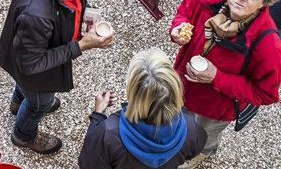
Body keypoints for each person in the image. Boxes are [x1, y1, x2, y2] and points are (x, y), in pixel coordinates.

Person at [0, 0, 114, 155]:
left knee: (29, 93)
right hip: (34, 71)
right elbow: (30, 64)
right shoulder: (37, 14)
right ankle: (24, 134)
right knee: (41, 103)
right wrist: (82, 45)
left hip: (22, 56)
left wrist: (85, 18)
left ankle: (19, 101)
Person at [169, 0, 281, 167]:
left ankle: (199, 155)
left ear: (265, 1)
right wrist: (177, 29)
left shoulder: (269, 47)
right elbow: (184, 10)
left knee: (203, 137)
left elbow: (265, 94)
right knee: (176, 119)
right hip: (179, 84)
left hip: (212, 109)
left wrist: (216, 77)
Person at [77, 48, 207, 168]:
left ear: (132, 91)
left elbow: (89, 164)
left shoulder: (108, 133)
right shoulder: (191, 128)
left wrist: (98, 115)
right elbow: (195, 149)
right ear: (175, 89)